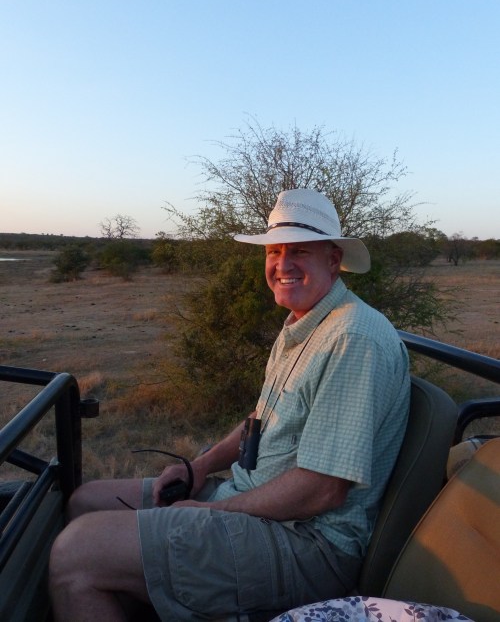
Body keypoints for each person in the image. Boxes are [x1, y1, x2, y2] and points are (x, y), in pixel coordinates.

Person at [49, 188, 411, 622]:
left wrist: (211, 511)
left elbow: (323, 488)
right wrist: (200, 467)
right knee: (86, 501)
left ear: (333, 260)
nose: (283, 265)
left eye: (299, 251)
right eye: (274, 251)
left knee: (75, 553)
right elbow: (262, 419)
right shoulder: (303, 323)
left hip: (307, 543)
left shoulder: (352, 338)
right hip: (250, 501)